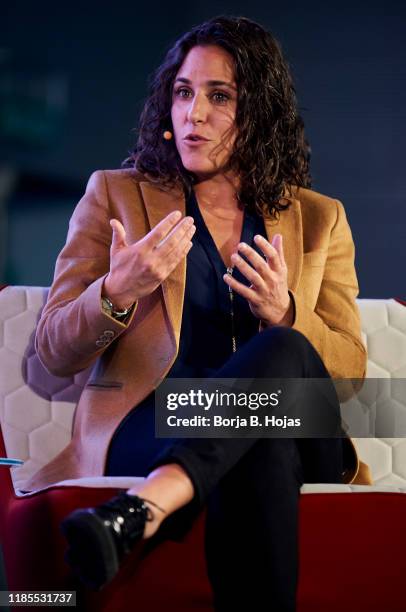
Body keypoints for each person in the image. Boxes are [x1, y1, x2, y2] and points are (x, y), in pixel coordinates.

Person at [25, 15, 371, 612]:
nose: (194, 114)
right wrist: (118, 290)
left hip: (303, 421)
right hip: (159, 417)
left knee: (286, 351)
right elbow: (53, 352)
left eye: (219, 97)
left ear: (258, 112)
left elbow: (349, 373)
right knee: (262, 443)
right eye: (183, 93)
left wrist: (286, 315)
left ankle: (148, 504)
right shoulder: (114, 194)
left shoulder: (320, 218)